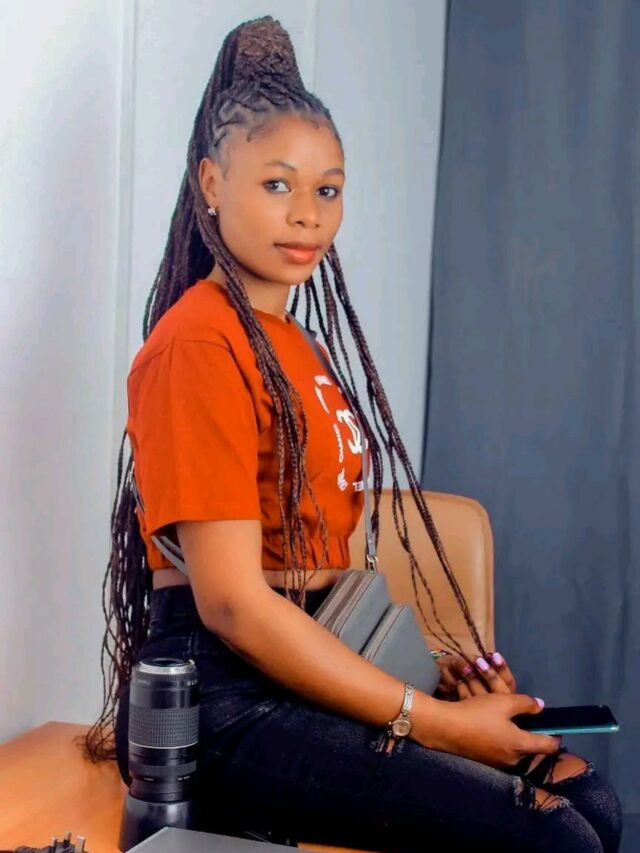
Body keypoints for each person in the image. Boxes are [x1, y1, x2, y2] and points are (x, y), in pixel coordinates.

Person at [83, 15, 622, 853]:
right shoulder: (197, 343)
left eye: (327, 191)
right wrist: (435, 721)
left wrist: (427, 675)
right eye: (277, 185)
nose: (306, 216)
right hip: (223, 702)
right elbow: (232, 604)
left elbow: (321, 569)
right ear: (211, 182)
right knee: (558, 836)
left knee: (591, 799)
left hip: (317, 667)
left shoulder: (298, 345)